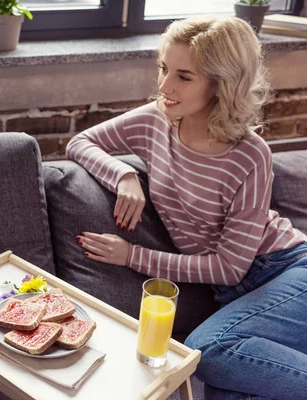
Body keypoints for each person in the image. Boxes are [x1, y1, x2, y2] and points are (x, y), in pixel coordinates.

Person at [67, 16, 307, 400]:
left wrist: (132, 255)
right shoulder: (153, 122)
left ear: (220, 83)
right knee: (226, 390)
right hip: (238, 299)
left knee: (210, 351)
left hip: (288, 269)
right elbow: (81, 142)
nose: (164, 86)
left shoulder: (250, 154)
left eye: (183, 76)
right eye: (164, 68)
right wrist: (124, 175)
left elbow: (230, 268)